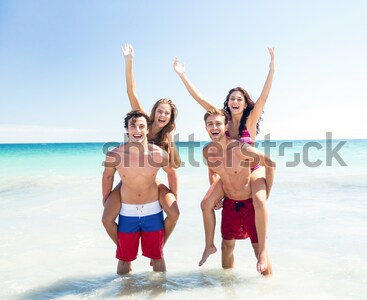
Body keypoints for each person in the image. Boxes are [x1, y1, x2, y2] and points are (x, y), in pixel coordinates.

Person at [173, 48, 275, 266]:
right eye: (231, 99)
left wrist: (272, 67)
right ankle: (209, 245)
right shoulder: (222, 119)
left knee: (258, 200)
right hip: (227, 172)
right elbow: (200, 99)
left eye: (239, 98)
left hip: (250, 169)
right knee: (206, 203)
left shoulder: (250, 120)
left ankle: (263, 251)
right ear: (227, 103)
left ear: (245, 103)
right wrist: (183, 75)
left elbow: (264, 96)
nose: (234, 101)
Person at [102, 44, 180, 253]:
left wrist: (170, 139)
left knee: (174, 212)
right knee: (107, 217)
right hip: (128, 177)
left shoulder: (166, 137)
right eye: (161, 111)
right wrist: (129, 61)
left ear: (171, 118)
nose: (163, 116)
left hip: (151, 180)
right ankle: (126, 248)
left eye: (168, 114)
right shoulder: (141, 120)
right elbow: (131, 90)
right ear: (154, 112)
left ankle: (159, 243)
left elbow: (176, 166)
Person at [202, 109, 275, 275]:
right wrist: (216, 196)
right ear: (206, 127)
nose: (214, 127)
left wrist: (266, 191)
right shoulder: (208, 151)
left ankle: (269, 289)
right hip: (229, 203)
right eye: (210, 124)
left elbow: (270, 163)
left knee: (258, 251)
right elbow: (212, 171)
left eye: (218, 123)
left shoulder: (239, 149)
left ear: (226, 125)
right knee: (226, 247)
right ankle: (227, 287)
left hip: (249, 204)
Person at [102, 110, 175, 274]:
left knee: (157, 259)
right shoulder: (115, 155)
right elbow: (107, 177)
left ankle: (160, 292)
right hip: (127, 211)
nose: (137, 131)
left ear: (148, 129)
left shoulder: (158, 154)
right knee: (124, 262)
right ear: (127, 129)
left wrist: (174, 194)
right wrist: (106, 199)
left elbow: (172, 173)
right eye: (133, 126)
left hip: (153, 209)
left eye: (142, 126)